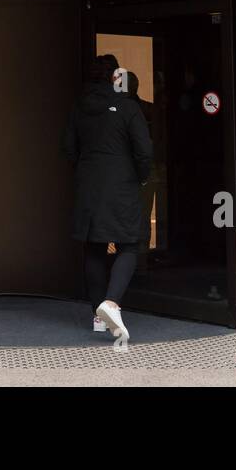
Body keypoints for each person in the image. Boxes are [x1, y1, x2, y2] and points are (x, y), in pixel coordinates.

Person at [62, 54, 153, 341]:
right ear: (114, 77)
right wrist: (140, 175)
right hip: (122, 185)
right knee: (130, 243)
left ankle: (97, 317)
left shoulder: (79, 107)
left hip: (89, 186)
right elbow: (144, 150)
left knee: (95, 247)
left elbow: (68, 148)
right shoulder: (127, 107)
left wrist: (86, 169)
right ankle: (111, 303)